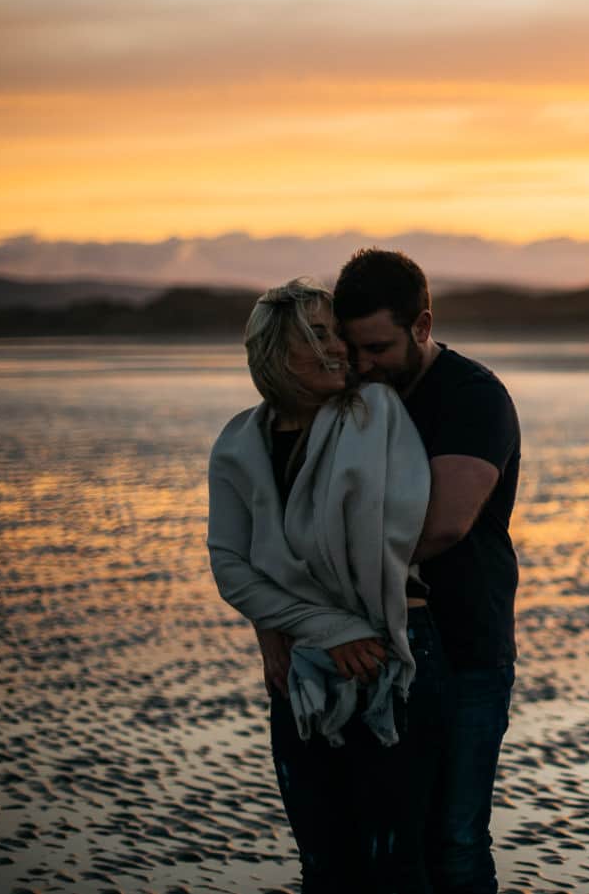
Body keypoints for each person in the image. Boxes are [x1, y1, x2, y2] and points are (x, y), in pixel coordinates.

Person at [207, 278, 449, 893]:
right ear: (274, 354)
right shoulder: (238, 443)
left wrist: (289, 611)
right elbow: (231, 564)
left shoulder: (375, 414)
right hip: (304, 664)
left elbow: (383, 534)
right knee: (324, 864)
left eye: (335, 332)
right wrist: (323, 627)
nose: (339, 348)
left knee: (395, 863)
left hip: (392, 650)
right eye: (317, 335)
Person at [332, 248, 521, 894]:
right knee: (382, 843)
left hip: (468, 648)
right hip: (371, 653)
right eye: (351, 349)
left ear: (422, 325)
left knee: (457, 841)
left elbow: (442, 523)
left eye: (378, 347)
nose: (362, 365)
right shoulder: (357, 395)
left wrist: (327, 571)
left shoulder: (473, 396)